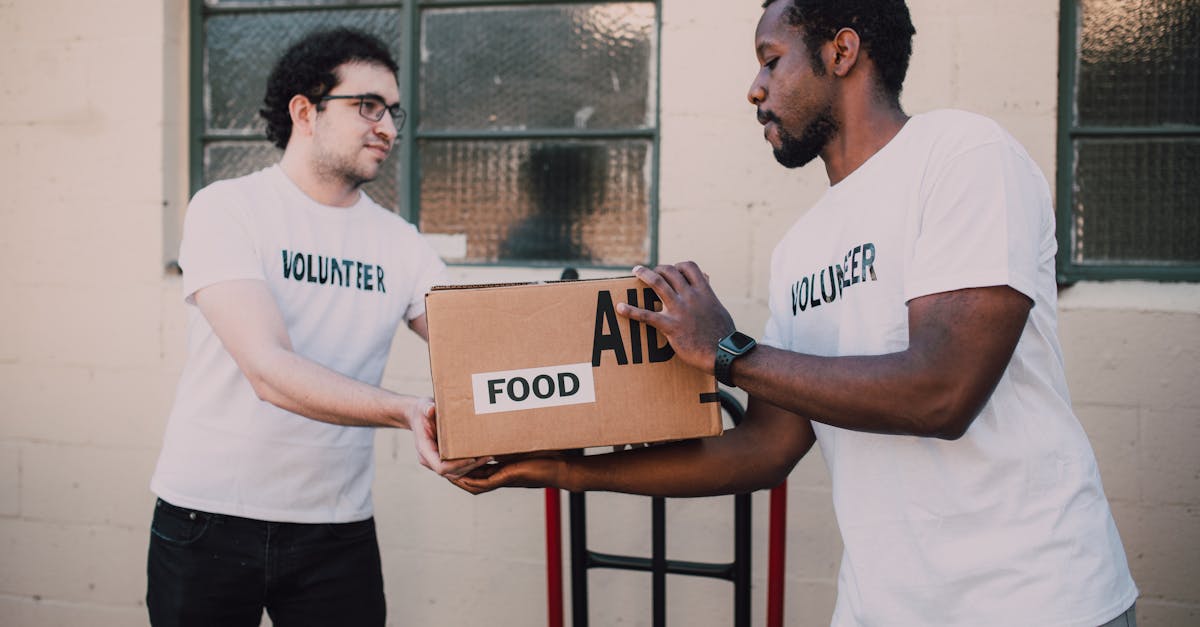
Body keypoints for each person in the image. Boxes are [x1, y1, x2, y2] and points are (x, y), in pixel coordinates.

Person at [454, 1, 1139, 625]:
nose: (755, 89)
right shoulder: (801, 248)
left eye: (771, 59)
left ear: (842, 53)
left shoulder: (963, 155)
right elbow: (765, 447)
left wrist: (727, 351)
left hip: (1038, 603)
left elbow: (943, 392)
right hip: (882, 609)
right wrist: (564, 469)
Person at [146, 27, 489, 626]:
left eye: (393, 112)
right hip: (208, 519)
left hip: (335, 529)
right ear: (304, 111)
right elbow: (267, 369)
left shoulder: (399, 244)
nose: (387, 127)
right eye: (367, 106)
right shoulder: (228, 209)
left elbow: (483, 344)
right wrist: (407, 410)